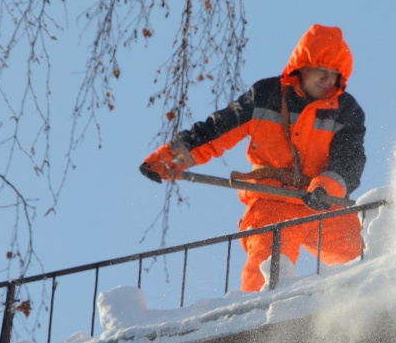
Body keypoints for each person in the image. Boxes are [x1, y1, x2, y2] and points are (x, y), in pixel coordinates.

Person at [140, 24, 367, 292]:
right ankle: (253, 324)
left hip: (319, 201)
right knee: (266, 272)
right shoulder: (266, 95)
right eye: (322, 70)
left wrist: (325, 189)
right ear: (303, 66)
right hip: (270, 201)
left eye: (335, 75)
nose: (328, 80)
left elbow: (350, 158)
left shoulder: (346, 109)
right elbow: (215, 129)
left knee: (367, 253)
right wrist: (168, 159)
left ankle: (377, 303)